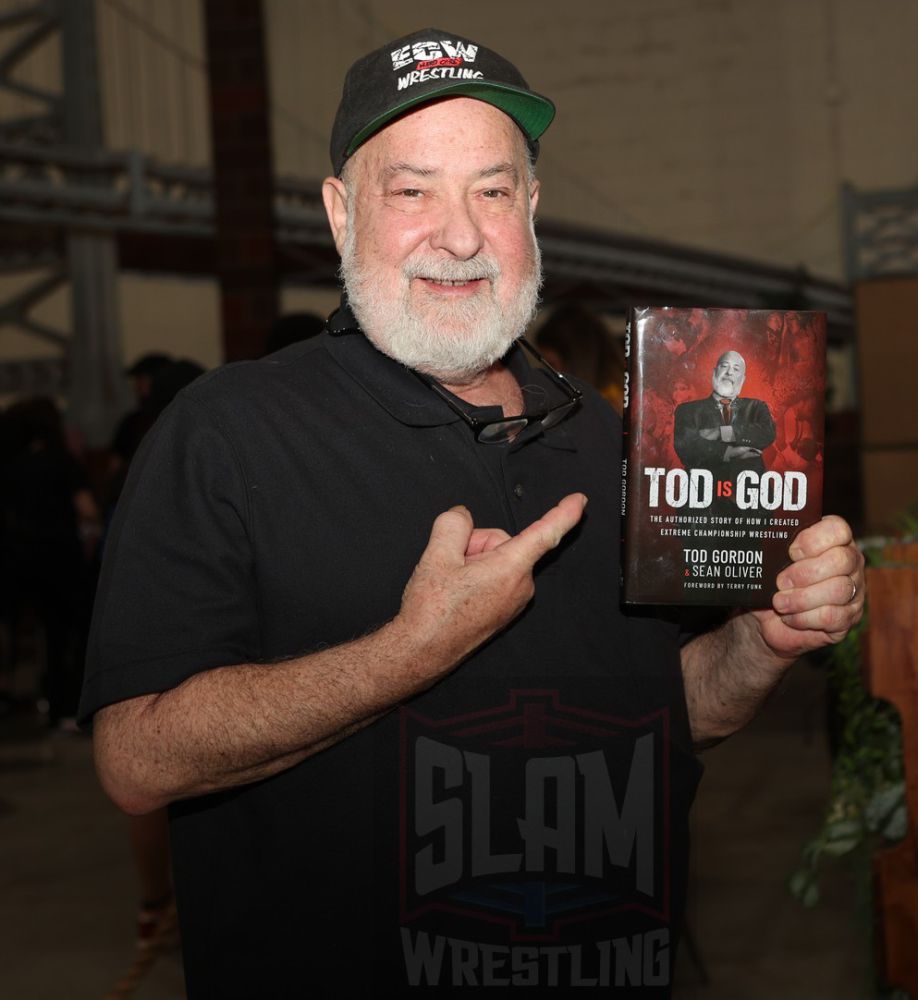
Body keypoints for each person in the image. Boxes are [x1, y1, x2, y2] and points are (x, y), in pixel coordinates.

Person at [80, 28, 864, 997]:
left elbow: (666, 712)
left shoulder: (618, 444)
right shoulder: (229, 432)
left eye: (492, 191)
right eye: (412, 191)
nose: (459, 234)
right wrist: (409, 650)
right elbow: (137, 757)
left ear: (531, 209)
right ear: (339, 213)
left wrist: (762, 642)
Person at [673, 350, 776, 487]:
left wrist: (722, 432)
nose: (729, 372)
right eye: (724, 366)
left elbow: (767, 433)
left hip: (749, 494)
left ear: (743, 379)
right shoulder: (687, 410)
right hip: (703, 496)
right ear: (714, 372)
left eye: (736, 369)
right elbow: (686, 446)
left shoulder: (756, 407)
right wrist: (730, 453)